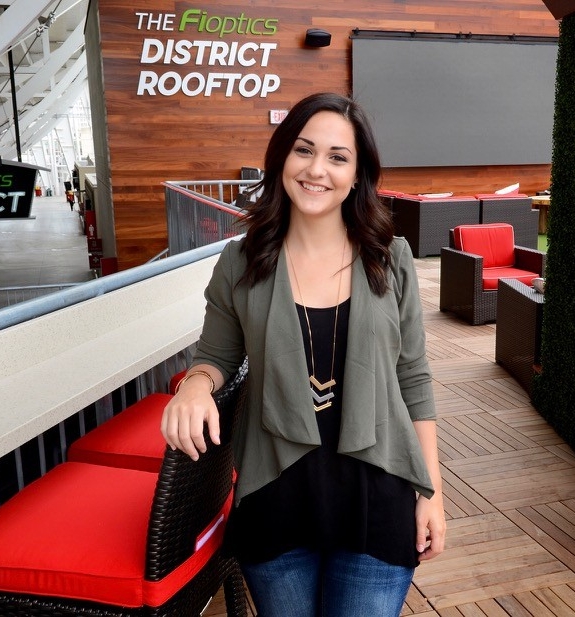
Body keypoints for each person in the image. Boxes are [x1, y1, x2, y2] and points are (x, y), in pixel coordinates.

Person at [161, 92, 445, 617]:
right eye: (304, 150)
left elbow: (415, 380)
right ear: (281, 159)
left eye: (338, 157)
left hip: (377, 499)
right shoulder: (241, 261)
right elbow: (214, 355)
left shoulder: (391, 259)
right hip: (277, 500)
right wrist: (196, 385)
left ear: (358, 175)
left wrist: (432, 493)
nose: (317, 170)